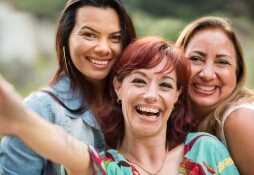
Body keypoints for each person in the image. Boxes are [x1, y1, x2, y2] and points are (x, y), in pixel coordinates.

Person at [0, 36, 239, 175]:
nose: (150, 95)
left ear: (177, 95)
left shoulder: (205, 150)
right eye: (139, 81)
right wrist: (22, 121)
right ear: (118, 87)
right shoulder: (110, 167)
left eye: (165, 85)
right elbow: (74, 155)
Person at [0, 0, 136, 174]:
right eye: (89, 35)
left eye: (115, 38)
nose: (103, 48)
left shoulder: (138, 105)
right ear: (66, 37)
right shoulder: (39, 110)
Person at [175, 16, 254, 174]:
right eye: (196, 59)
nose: (207, 74)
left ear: (236, 73)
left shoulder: (239, 119)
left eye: (222, 62)